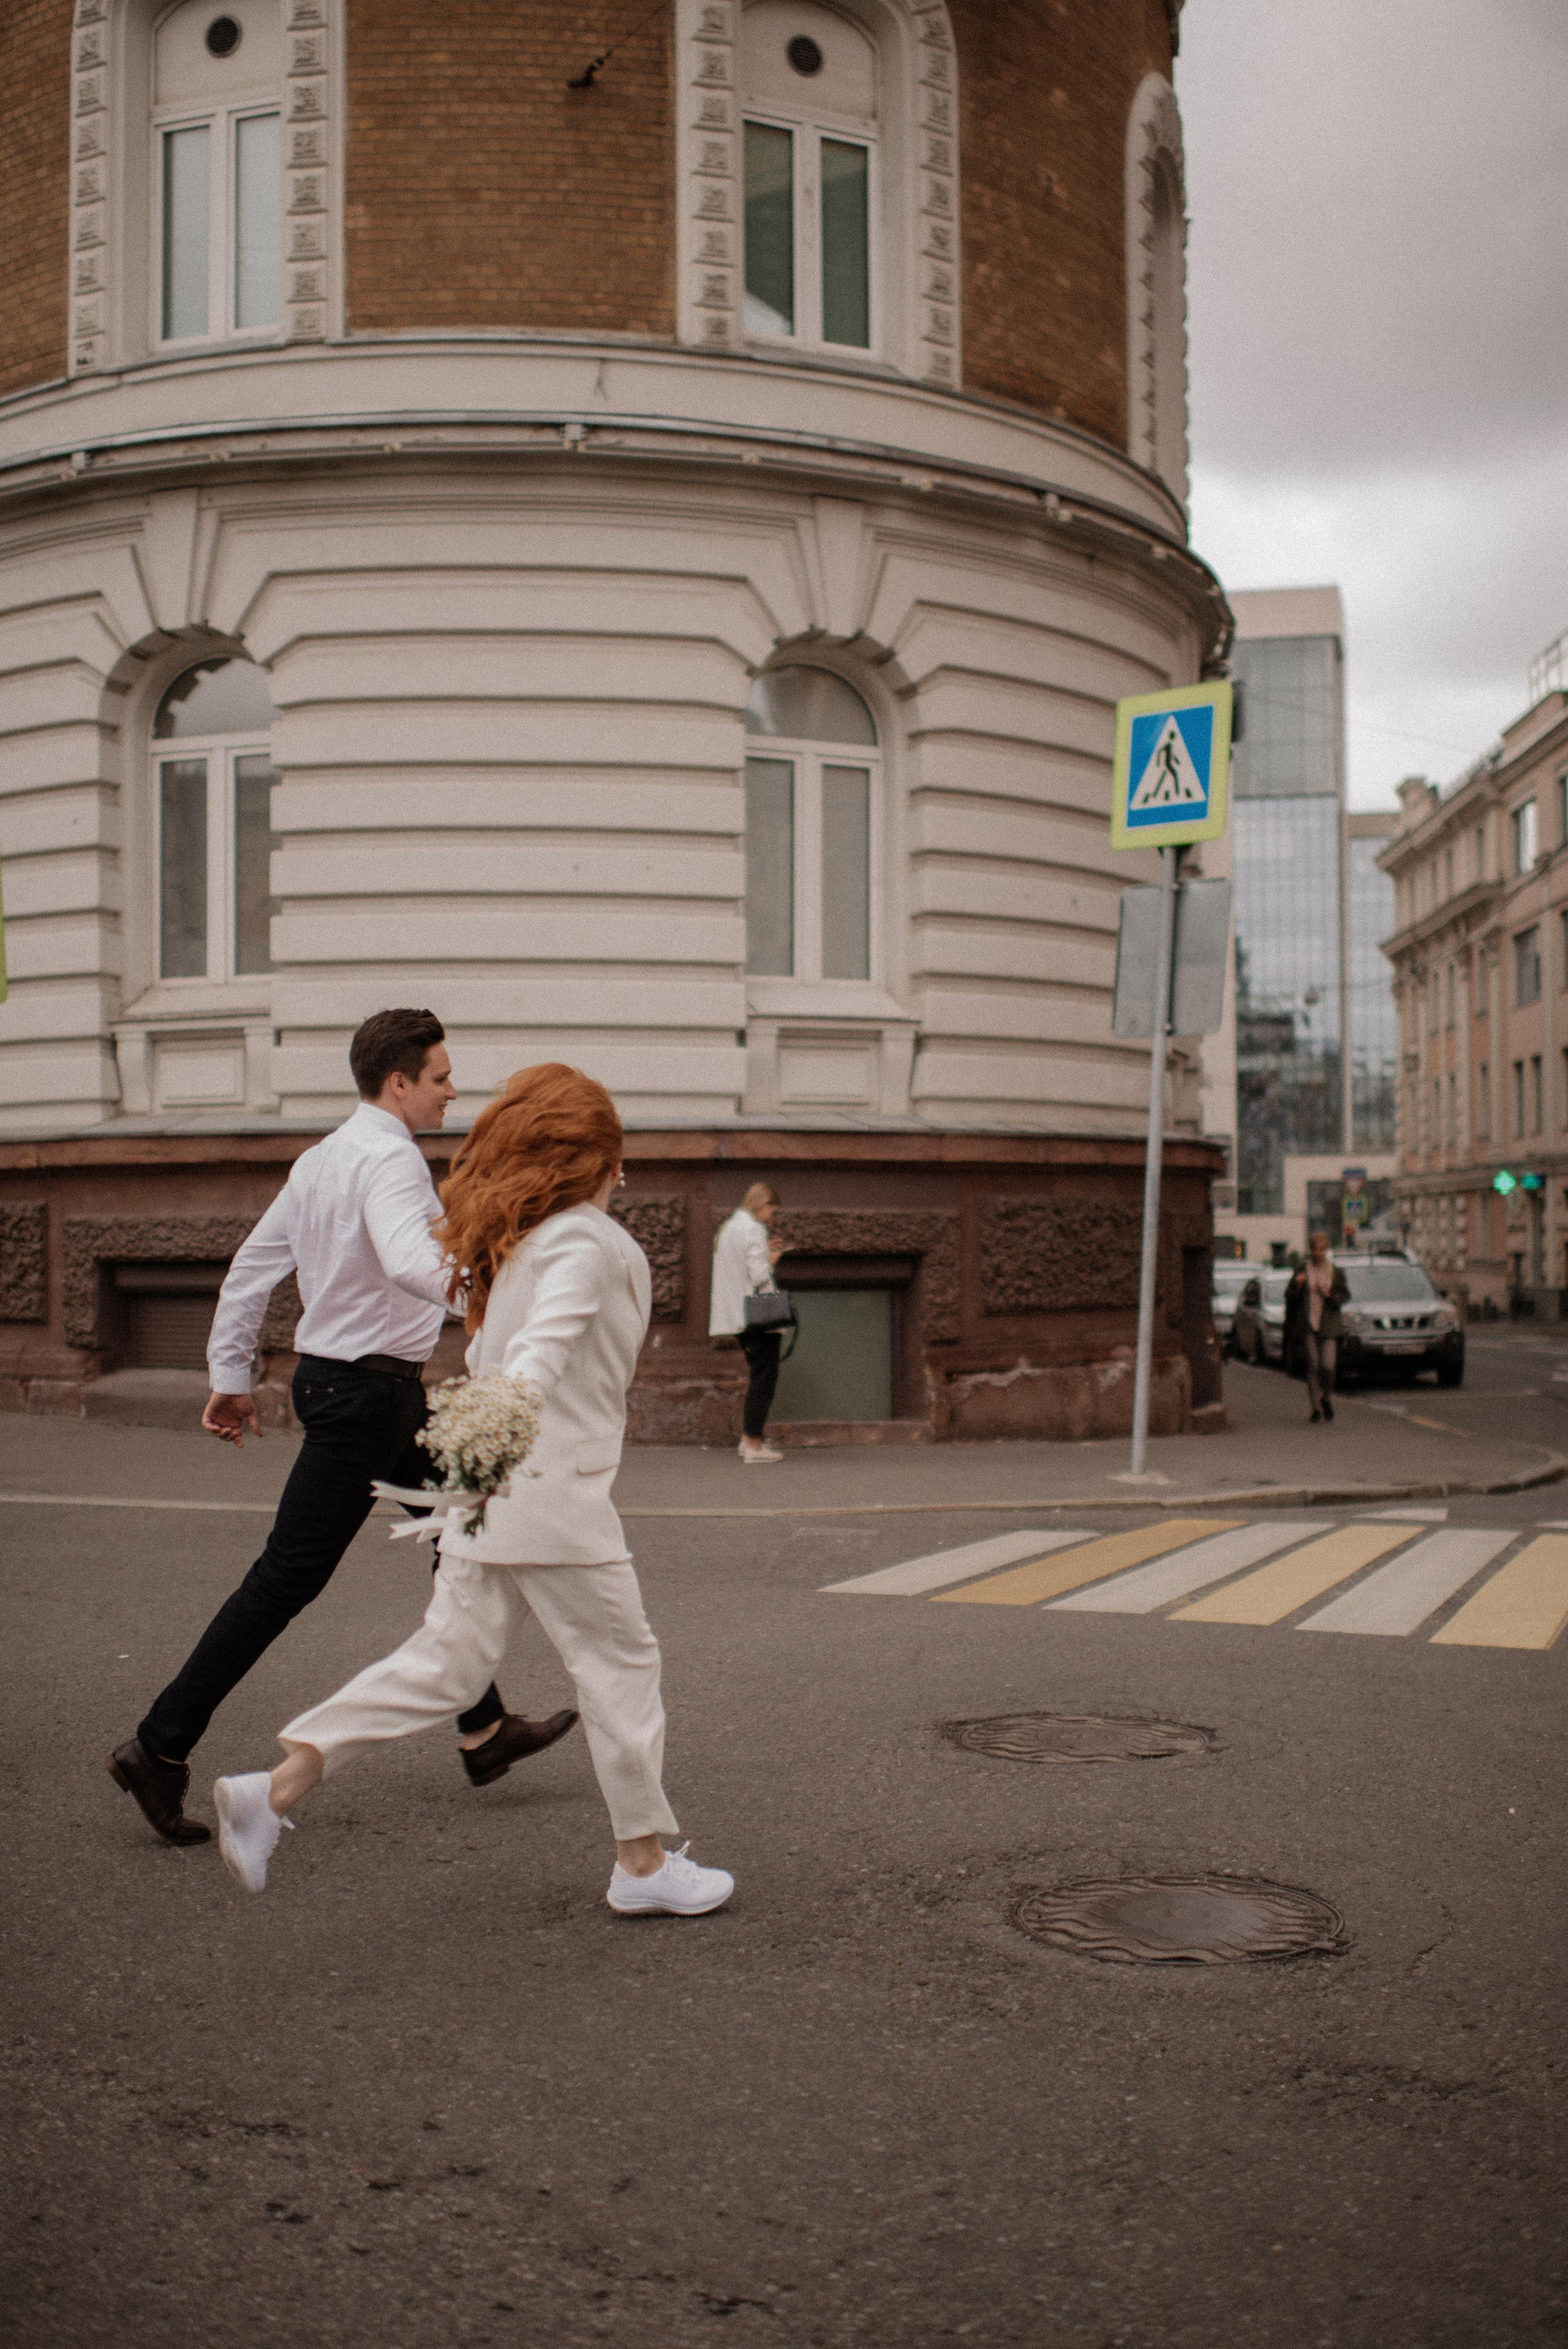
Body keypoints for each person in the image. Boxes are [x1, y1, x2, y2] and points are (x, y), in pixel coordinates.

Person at [211, 1062, 734, 1920]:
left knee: (446, 1664)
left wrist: (481, 1441)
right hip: (549, 1495)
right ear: (594, 1157)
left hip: (482, 1491)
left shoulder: (514, 1242)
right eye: (618, 1153)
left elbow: (510, 1351)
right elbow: (541, 1353)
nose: (625, 1170)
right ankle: (642, 1864)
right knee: (620, 1665)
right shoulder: (586, 1243)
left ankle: (274, 1788)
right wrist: (503, 1416)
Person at [107, 1009, 576, 1848]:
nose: (451, 1089)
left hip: (368, 1391)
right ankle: (158, 1743)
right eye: (439, 1075)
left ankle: (484, 1726)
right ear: (398, 1082)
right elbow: (408, 1259)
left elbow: (252, 1269)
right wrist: (504, 1300)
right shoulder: (391, 1158)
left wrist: (229, 1378)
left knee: (459, 1529)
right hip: (362, 1396)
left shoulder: (323, 1156)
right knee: (286, 1579)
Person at [709, 1182, 788, 1464]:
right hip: (758, 1315)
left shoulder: (730, 1227)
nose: (772, 1217)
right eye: (772, 1210)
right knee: (764, 1379)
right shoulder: (754, 1229)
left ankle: (748, 1441)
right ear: (763, 1204)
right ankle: (754, 1445)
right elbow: (758, 1276)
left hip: (738, 1315)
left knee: (759, 1375)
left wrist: (764, 1253)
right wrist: (773, 1258)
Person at [1286, 1231, 1349, 1423]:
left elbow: (1344, 1296)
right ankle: (1315, 1408)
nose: (1318, 1252)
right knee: (1313, 1365)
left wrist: (1328, 1294)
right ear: (1311, 1249)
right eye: (1315, 1249)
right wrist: (1297, 1286)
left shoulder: (1335, 1272)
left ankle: (1327, 1398)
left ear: (1326, 1249)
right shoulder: (1303, 1269)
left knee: (1328, 1367)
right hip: (1308, 1325)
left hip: (1329, 1325)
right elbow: (1290, 1295)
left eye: (1322, 1249)